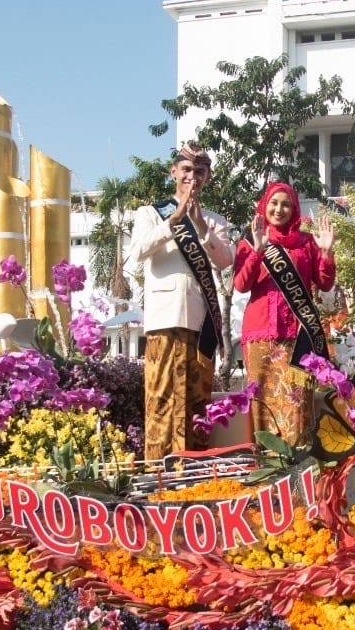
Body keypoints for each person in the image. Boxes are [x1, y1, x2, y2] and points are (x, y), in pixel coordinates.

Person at [131, 145, 233, 462]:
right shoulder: (150, 213)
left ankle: (194, 467)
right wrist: (174, 221)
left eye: (199, 171)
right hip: (164, 319)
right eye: (186, 169)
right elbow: (139, 251)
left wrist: (201, 226)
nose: (192, 176)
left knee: (197, 398)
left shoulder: (215, 221)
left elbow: (225, 260)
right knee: (161, 395)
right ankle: (158, 469)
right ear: (173, 172)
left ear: (208, 177)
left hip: (202, 322)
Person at [233, 181, 336, 444]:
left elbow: (324, 283)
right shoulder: (250, 240)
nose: (279, 209)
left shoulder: (306, 243)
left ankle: (300, 465)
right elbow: (241, 285)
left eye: (286, 204)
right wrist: (257, 251)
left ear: (294, 208)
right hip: (260, 334)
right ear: (264, 206)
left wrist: (326, 252)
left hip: (298, 334)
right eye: (274, 203)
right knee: (263, 401)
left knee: (297, 401)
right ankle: (266, 465)